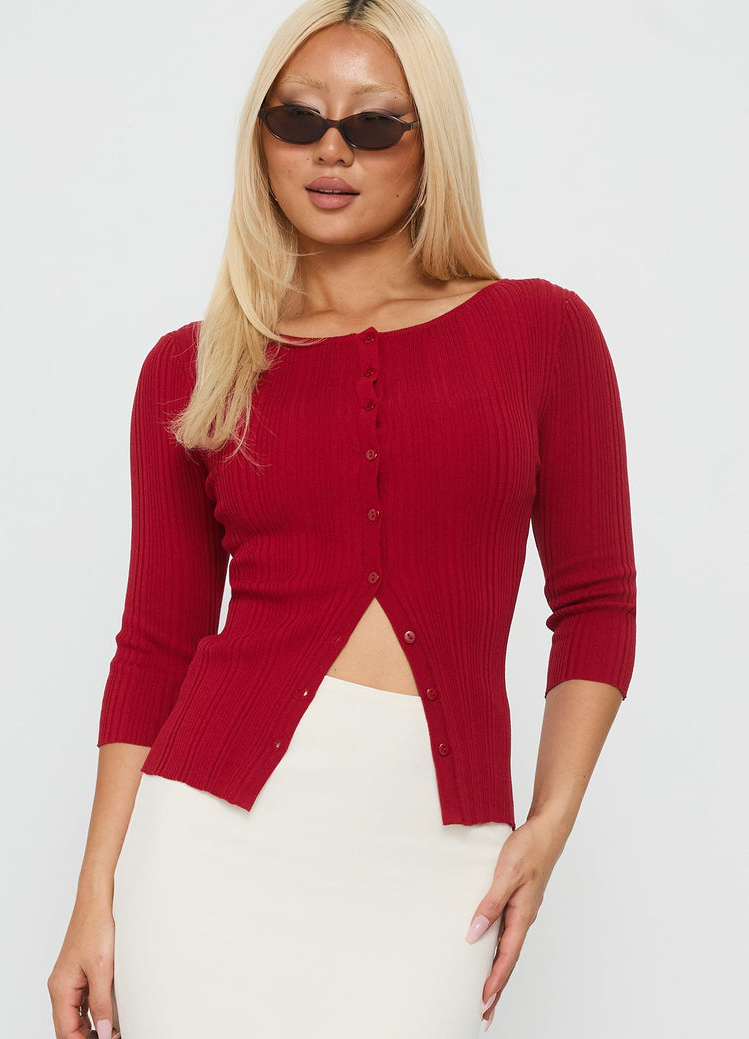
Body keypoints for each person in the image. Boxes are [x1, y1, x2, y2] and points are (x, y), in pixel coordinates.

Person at [47, 1, 637, 1036]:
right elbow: (154, 646)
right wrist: (93, 896)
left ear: (428, 141)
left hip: (436, 853)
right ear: (261, 140)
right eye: (298, 119)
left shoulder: (541, 331)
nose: (331, 150)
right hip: (207, 845)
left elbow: (594, 603)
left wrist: (546, 827)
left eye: (371, 124)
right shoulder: (191, 367)